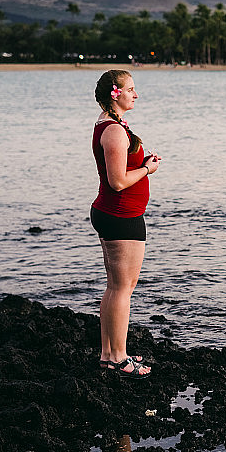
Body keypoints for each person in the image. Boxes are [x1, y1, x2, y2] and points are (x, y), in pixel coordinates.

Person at [91, 69, 161, 379]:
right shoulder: (114, 131)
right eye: (130, 89)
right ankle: (119, 358)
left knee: (115, 288)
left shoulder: (112, 125)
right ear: (115, 93)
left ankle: (109, 354)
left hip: (117, 214)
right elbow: (118, 181)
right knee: (122, 289)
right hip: (121, 216)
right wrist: (147, 169)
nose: (136, 94)